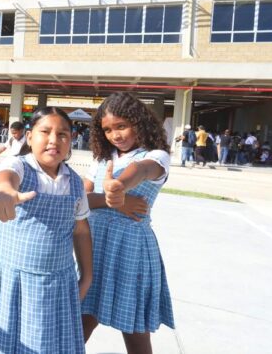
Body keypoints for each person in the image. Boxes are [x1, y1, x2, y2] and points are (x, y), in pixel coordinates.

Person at [0, 107, 93, 353]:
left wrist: (87, 275)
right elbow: (5, 180)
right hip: (9, 280)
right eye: (45, 131)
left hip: (56, 285)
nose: (54, 140)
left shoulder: (75, 183)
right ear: (29, 137)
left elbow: (81, 231)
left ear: (71, 140)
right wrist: (4, 194)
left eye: (63, 134)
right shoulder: (18, 165)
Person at [81, 92, 174, 354]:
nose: (115, 135)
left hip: (130, 251)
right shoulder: (102, 159)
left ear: (139, 122)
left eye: (121, 126)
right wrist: (113, 201)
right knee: (82, 319)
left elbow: (143, 170)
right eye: (108, 130)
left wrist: (120, 185)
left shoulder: (157, 156)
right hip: (95, 247)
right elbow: (80, 199)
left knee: (134, 329)